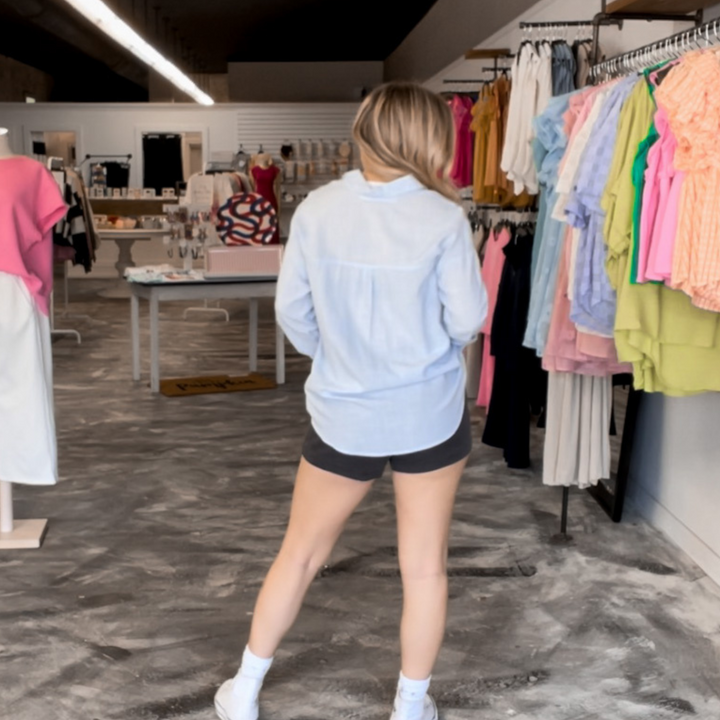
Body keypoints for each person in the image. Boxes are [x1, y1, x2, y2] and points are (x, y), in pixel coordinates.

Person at [215, 82, 488, 720]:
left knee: (301, 553)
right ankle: (410, 707)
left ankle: (245, 691)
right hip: (428, 413)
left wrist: (339, 354)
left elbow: (293, 313)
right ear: (429, 139)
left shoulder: (316, 210)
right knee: (424, 568)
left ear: (365, 132)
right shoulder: (444, 218)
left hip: (343, 412)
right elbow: (468, 321)